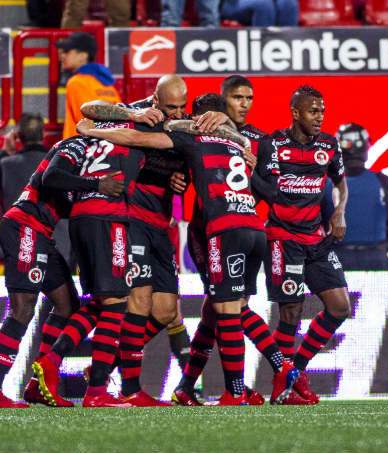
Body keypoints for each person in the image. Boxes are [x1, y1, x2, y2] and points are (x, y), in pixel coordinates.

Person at [77, 93, 299, 406]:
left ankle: (261, 378)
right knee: (218, 308)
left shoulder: (192, 134)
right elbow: (271, 190)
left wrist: (92, 132)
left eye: (185, 109)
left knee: (226, 308)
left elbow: (133, 138)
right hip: (251, 226)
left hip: (220, 227)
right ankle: (189, 385)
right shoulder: (240, 140)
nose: (180, 113)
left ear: (198, 116)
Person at [80, 76, 228, 405]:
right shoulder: (136, 112)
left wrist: (180, 177)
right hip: (132, 219)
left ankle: (104, 368)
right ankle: (130, 389)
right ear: (155, 100)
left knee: (163, 312)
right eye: (169, 106)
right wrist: (130, 116)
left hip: (163, 225)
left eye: (181, 106)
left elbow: (209, 156)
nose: (176, 112)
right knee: (137, 303)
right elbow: (87, 111)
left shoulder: (190, 125)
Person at [0, 136, 120, 407]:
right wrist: (97, 185)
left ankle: (37, 385)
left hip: (42, 233)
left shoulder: (91, 163)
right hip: (25, 226)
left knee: (68, 304)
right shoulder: (78, 145)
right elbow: (50, 177)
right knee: (23, 308)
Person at [173, 76, 286, 407]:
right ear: (223, 103)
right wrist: (175, 177)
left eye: (249, 98)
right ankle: (255, 380)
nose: (244, 104)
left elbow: (272, 194)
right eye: (237, 97)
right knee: (229, 307)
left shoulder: (259, 141)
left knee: (221, 310)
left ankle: (191, 385)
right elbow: (178, 162)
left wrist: (252, 174)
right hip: (208, 229)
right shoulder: (195, 129)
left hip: (241, 227)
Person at [33, 120, 147, 408]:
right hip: (107, 217)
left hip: (80, 218)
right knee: (117, 301)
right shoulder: (136, 131)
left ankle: (60, 365)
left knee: (103, 301)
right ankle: (92, 388)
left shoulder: (90, 140)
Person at [255, 85, 350, 405]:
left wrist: (339, 211)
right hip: (283, 238)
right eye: (313, 111)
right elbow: (265, 190)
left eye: (322, 111)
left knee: (339, 307)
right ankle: (282, 385)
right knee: (291, 311)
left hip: (317, 239)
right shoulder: (274, 144)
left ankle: (294, 370)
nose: (320, 118)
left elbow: (341, 184)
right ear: (295, 112)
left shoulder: (329, 145)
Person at [323, 123, 388, 271]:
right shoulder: (383, 182)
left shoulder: (325, 184)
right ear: (366, 147)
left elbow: (315, 224)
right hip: (375, 257)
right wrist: (379, 248)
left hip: (336, 258)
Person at [0, 114, 51, 258]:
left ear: (17, 136)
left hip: (17, 249)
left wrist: (5, 151)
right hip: (55, 248)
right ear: (43, 134)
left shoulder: (7, 165)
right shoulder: (59, 164)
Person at [59, 31, 121, 139]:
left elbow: (85, 123)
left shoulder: (76, 82)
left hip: (80, 148)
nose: (62, 55)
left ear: (83, 56)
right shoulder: (107, 82)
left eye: (67, 51)